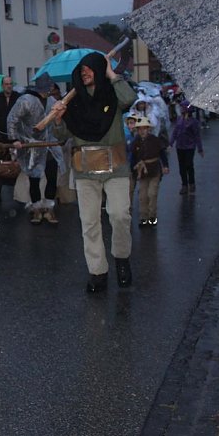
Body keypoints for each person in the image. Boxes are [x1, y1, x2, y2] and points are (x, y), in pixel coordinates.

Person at [51, 52, 137, 293]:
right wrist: (58, 119)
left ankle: (121, 258)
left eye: (90, 68)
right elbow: (61, 137)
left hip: (115, 165)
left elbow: (130, 98)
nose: (85, 72)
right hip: (85, 169)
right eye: (82, 69)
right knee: (89, 223)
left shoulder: (113, 94)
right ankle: (97, 271)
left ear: (99, 70)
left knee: (120, 215)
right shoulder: (73, 102)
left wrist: (112, 74)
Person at [6, 73, 65, 224]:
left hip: (50, 144)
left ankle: (49, 207)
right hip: (31, 144)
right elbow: (12, 119)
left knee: (51, 176)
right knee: (34, 178)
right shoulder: (25, 100)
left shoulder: (52, 101)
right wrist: (14, 139)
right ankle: (36, 208)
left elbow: (58, 121)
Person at [131, 117, 169, 227]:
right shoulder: (136, 142)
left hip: (154, 170)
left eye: (145, 128)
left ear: (149, 129)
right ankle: (144, 217)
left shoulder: (155, 140)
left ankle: (152, 215)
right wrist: (133, 170)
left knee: (152, 193)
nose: (142, 131)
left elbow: (162, 153)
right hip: (142, 172)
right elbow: (133, 156)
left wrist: (165, 165)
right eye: (140, 129)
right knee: (143, 196)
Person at [170, 100, 204, 195]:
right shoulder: (179, 119)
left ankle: (191, 183)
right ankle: (184, 185)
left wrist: (200, 148)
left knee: (189, 165)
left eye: (183, 108)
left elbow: (197, 136)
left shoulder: (193, 122)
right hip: (180, 146)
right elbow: (175, 132)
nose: (181, 109)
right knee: (182, 167)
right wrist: (171, 143)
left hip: (189, 147)